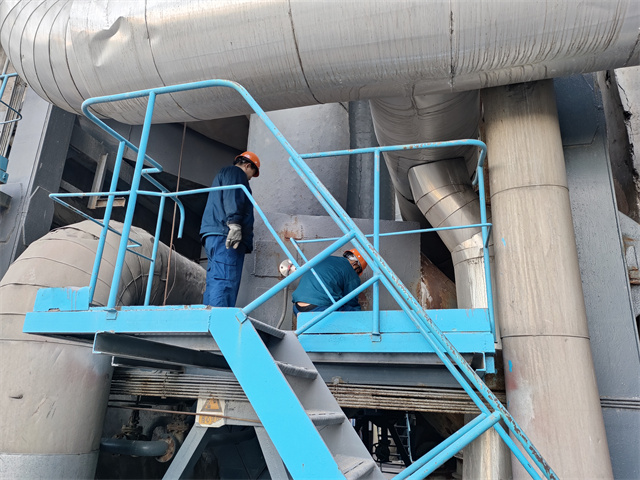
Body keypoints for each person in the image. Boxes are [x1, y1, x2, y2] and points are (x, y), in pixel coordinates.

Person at [200, 151, 260, 307]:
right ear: (247, 166)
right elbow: (233, 196)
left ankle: (209, 313)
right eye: (252, 174)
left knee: (215, 279)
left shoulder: (223, 175)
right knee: (225, 281)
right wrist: (234, 224)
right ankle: (219, 317)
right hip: (226, 236)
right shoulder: (236, 173)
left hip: (214, 235)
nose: (250, 179)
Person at [291, 249, 368, 315]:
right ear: (356, 264)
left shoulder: (326, 258)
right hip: (319, 308)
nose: (356, 274)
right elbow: (351, 301)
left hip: (298, 308)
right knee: (353, 312)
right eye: (358, 271)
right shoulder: (351, 272)